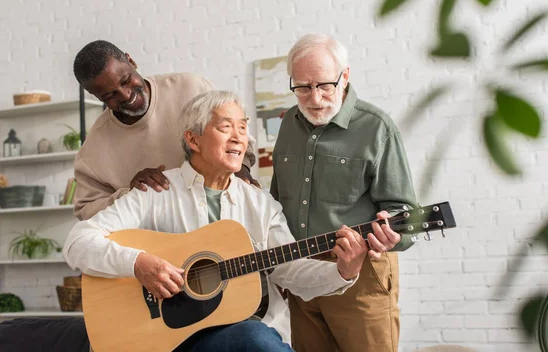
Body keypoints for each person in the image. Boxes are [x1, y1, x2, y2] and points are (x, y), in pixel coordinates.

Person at [63, 91, 400, 351]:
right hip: (164, 340)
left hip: (240, 335)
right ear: (193, 139)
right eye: (226, 127)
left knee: (254, 335)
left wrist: (344, 271)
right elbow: (78, 242)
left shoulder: (259, 203)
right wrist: (138, 263)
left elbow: (289, 271)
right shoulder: (157, 191)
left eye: (243, 127)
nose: (240, 138)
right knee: (254, 338)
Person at [270, 34, 419, 352]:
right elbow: (276, 202)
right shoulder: (287, 126)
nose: (314, 98)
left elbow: (404, 210)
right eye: (302, 87)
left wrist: (392, 234)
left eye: (324, 85)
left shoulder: (377, 127)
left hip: (361, 273)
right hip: (301, 272)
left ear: (345, 76)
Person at [71, 40, 257, 221]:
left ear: (131, 61)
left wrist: (242, 170)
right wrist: (132, 194)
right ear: (94, 95)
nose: (126, 96)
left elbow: (238, 137)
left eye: (126, 80)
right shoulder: (93, 150)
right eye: (109, 95)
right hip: (162, 243)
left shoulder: (191, 88)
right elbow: (87, 211)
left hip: (227, 218)